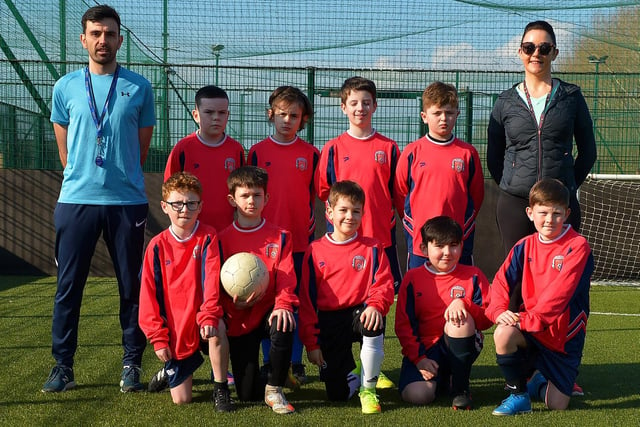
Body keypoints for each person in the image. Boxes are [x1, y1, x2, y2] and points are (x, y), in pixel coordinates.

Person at [43, 4, 155, 393]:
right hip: (76, 200)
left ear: (119, 39)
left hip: (126, 202)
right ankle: (62, 366)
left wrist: (120, 176)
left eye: (109, 33)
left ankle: (132, 364)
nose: (102, 40)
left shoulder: (140, 86)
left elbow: (140, 150)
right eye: (96, 33)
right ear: (84, 39)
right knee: (68, 286)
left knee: (131, 286)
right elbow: (64, 146)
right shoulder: (65, 86)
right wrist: (83, 176)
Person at [487, 20, 597, 257]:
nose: (536, 53)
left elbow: (588, 152)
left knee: (559, 281)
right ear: (520, 52)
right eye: (529, 47)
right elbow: (494, 156)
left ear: (554, 53)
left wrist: (564, 185)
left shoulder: (571, 97)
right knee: (515, 282)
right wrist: (512, 185)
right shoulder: (505, 101)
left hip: (559, 204)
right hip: (514, 204)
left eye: (544, 48)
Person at [486, 178, 594, 416]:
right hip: (531, 331)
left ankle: (537, 379)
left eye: (556, 213)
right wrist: (498, 311)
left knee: (557, 404)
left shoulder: (578, 246)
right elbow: (501, 281)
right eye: (543, 212)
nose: (549, 220)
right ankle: (518, 395)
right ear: (530, 213)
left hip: (563, 337)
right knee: (503, 332)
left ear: (567, 214)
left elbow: (560, 295)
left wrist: (525, 320)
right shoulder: (524, 246)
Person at [205, 165, 298, 414]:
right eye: (245, 195)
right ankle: (272, 371)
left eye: (257, 195)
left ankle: (275, 388)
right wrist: (231, 304)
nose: (251, 201)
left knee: (284, 320)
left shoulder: (281, 237)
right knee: (247, 394)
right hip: (238, 317)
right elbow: (213, 284)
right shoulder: (220, 240)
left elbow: (287, 280)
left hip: (268, 311)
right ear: (232, 199)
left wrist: (283, 304)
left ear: (266, 198)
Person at [298, 180, 395, 414]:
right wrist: (312, 344)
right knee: (337, 395)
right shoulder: (315, 250)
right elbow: (307, 301)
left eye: (356, 211)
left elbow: (384, 285)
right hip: (329, 321)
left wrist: (375, 305)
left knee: (373, 319)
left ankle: (368, 390)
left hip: (359, 313)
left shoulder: (372, 247)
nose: (349, 216)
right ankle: (355, 375)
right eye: (343, 210)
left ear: (363, 213)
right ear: (330, 212)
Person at [138, 172, 232, 410]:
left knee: (218, 326)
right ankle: (168, 371)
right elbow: (147, 296)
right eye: (177, 203)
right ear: (164, 206)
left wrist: (209, 315)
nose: (184, 209)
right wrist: (158, 338)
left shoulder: (208, 236)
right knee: (182, 399)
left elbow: (211, 281)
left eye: (191, 203)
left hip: (203, 320)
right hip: (176, 328)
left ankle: (220, 389)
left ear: (200, 207)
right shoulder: (156, 246)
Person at [248, 86, 319, 386]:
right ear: (271, 115)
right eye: (282, 114)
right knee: (266, 303)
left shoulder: (311, 154)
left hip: (300, 242)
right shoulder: (255, 152)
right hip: (264, 245)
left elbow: (320, 197)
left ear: (303, 120)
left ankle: (295, 362)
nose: (287, 120)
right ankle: (270, 361)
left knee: (297, 303)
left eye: (294, 115)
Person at [316, 76, 402, 299]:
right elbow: (324, 190)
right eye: (354, 103)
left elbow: (398, 191)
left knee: (381, 295)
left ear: (375, 105)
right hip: (344, 236)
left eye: (366, 102)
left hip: (379, 233)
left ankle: (375, 334)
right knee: (344, 293)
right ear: (343, 107)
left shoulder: (389, 147)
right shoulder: (332, 148)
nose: (360, 108)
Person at [395, 216, 492, 410]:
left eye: (453, 245)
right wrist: (420, 359)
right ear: (424, 249)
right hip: (425, 349)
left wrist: (463, 303)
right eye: (439, 246)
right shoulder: (413, 278)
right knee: (418, 395)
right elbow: (404, 325)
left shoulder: (473, 275)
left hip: (459, 340)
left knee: (459, 322)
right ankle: (442, 379)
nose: (447, 252)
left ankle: (460, 388)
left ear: (461, 246)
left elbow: (487, 319)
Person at [394, 82, 484, 269]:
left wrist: (464, 223)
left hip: (458, 238)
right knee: (421, 289)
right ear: (424, 117)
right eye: (437, 113)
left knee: (462, 289)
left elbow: (476, 195)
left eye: (449, 113)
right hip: (422, 239)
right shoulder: (412, 152)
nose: (444, 118)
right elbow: (401, 193)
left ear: (457, 115)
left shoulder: (468, 153)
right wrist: (414, 223)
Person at [164, 85, 245, 232]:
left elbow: (243, 190)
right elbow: (169, 190)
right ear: (196, 115)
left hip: (227, 230)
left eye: (221, 113)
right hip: (191, 231)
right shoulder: (182, 149)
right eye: (209, 112)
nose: (216, 117)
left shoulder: (236, 150)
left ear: (228, 115)